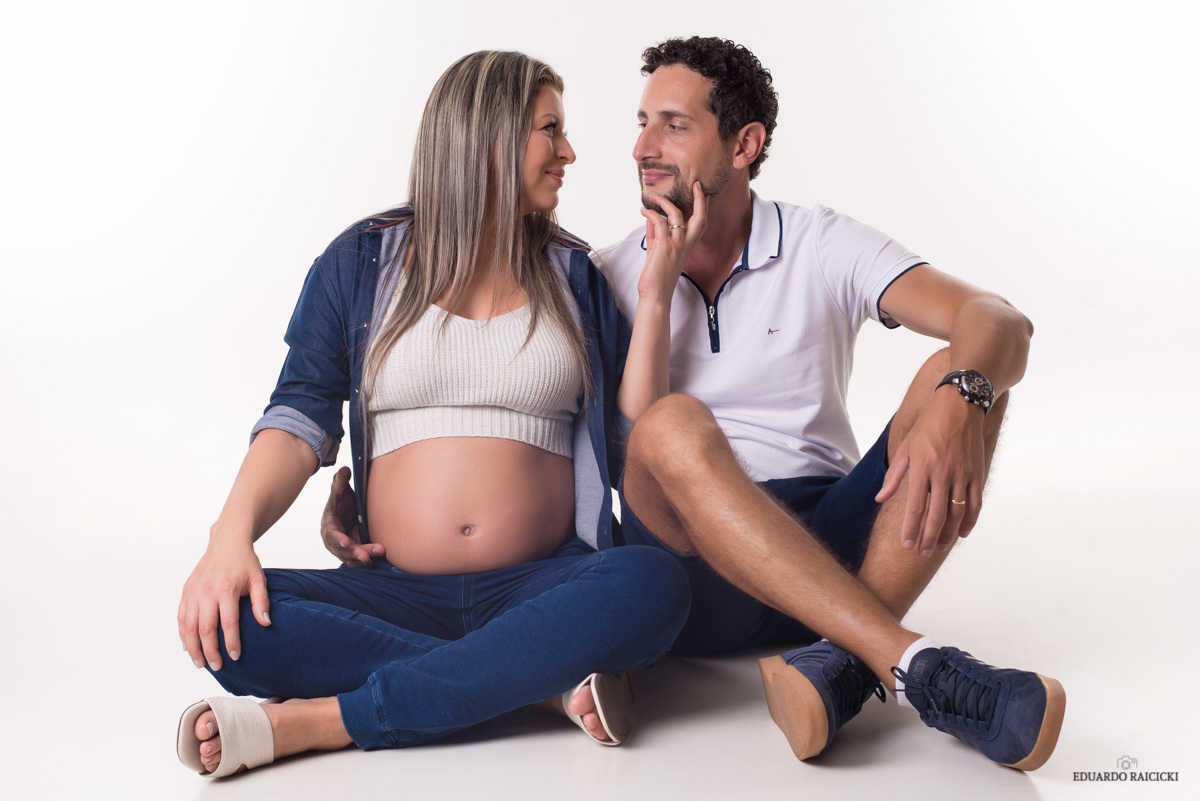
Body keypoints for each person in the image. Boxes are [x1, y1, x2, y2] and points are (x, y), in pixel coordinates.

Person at [323, 38, 1066, 771]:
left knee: (959, 368)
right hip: (691, 565)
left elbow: (998, 319)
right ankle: (903, 659)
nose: (643, 147)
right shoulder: (605, 272)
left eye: (674, 126)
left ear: (744, 145)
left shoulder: (819, 243)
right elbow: (560, 432)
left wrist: (962, 396)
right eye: (642, 123)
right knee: (669, 423)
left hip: (833, 533)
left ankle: (841, 666)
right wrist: (391, 495)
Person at [175, 50, 703, 779]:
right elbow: (296, 419)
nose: (570, 153)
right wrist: (228, 539)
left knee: (653, 583)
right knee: (230, 620)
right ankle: (537, 685)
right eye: (550, 129)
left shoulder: (575, 274)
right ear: (488, 137)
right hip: (391, 590)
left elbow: (635, 445)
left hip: (542, 586)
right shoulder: (359, 263)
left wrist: (656, 297)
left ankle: (324, 722)